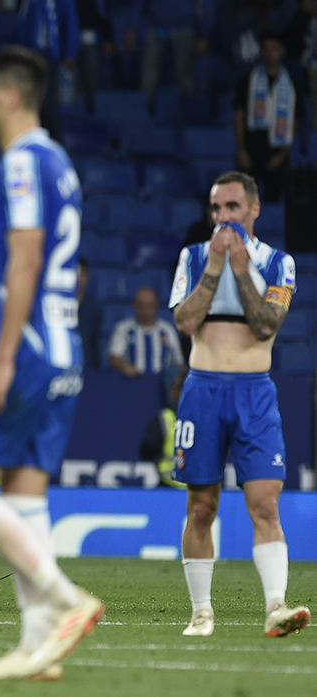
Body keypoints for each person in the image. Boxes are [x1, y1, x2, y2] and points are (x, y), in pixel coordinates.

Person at [0, 46, 102, 680]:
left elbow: (26, 260)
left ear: (10, 95)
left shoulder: (23, 164)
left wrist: (0, 357)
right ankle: (41, 649)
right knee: (25, 491)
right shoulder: (59, 160)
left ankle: (64, 597)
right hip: (63, 345)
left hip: (29, 349)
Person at [169, 171, 309, 638]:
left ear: (254, 209)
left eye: (232, 207)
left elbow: (268, 324)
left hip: (254, 392)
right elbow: (185, 321)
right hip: (203, 389)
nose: (223, 217)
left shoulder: (278, 263)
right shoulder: (192, 258)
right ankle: (201, 612)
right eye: (216, 208)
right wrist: (214, 268)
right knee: (200, 507)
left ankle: (276, 606)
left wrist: (241, 268)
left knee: (265, 504)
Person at [16, 0, 78, 138]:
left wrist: (69, 53)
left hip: (48, 55)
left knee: (48, 105)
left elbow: (72, 22)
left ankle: (56, 149)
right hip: (30, 57)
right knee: (33, 107)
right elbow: (24, 25)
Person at [54, 0, 112, 115]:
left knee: (90, 79)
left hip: (89, 31)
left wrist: (107, 36)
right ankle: (69, 120)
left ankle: (90, 115)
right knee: (66, 84)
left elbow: (101, 2)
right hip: (66, 34)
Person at [235, 35, 299, 202]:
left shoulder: (293, 84)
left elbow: (295, 122)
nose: (271, 54)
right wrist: (241, 150)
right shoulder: (247, 80)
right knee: (245, 203)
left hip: (276, 152)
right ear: (262, 52)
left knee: (273, 201)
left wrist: (283, 154)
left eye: (275, 49)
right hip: (251, 149)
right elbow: (239, 115)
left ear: (282, 51)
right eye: (267, 49)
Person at [108, 287, 183, 378]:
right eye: (142, 306)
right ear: (134, 306)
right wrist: (124, 367)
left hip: (162, 383)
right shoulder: (124, 329)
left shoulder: (167, 330)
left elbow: (178, 361)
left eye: (150, 306)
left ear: (157, 306)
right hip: (132, 382)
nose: (146, 310)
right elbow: (114, 357)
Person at [77, 258, 104, 370]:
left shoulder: (94, 308)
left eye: (82, 274)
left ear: (87, 277)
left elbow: (95, 342)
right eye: (74, 273)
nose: (77, 278)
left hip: (87, 370)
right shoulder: (56, 305)